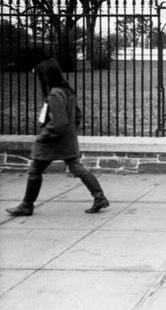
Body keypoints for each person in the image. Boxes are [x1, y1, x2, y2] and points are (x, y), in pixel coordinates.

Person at [6, 59, 109, 216]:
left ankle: (27, 205)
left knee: (35, 171)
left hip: (52, 141)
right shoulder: (67, 91)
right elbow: (77, 115)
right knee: (77, 168)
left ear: (46, 76)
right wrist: (71, 132)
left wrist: (43, 136)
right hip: (66, 140)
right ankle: (99, 197)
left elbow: (58, 123)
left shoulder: (55, 94)